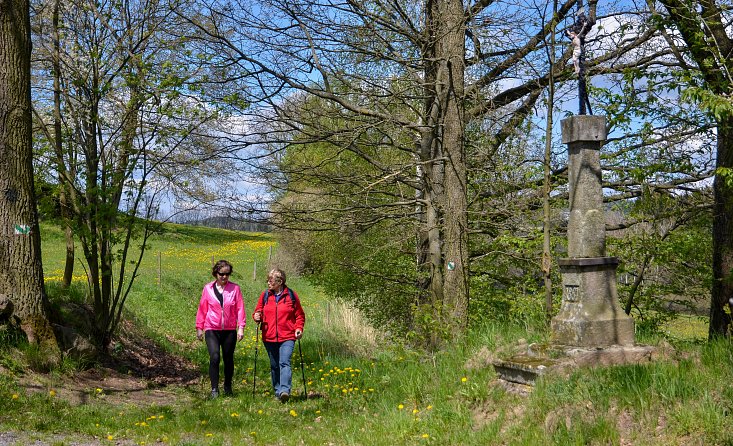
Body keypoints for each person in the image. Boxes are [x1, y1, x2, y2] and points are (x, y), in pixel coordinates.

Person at [253, 268, 306, 403]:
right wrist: (256, 316)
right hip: (269, 336)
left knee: (284, 362)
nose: (268, 283)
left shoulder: (291, 296)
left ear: (280, 281)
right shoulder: (265, 295)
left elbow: (299, 315)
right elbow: (257, 312)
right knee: (274, 365)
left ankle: (284, 390)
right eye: (268, 280)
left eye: (270, 280)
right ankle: (277, 391)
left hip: (287, 336)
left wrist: (298, 328)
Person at [196, 260, 245, 399]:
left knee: (228, 358)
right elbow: (202, 308)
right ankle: (214, 389)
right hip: (212, 328)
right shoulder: (208, 289)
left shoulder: (235, 289)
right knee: (215, 357)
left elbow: (240, 308)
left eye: (227, 274)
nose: (224, 277)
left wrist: (241, 327)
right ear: (215, 273)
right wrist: (199, 327)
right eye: (221, 274)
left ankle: (228, 387)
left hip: (229, 329)